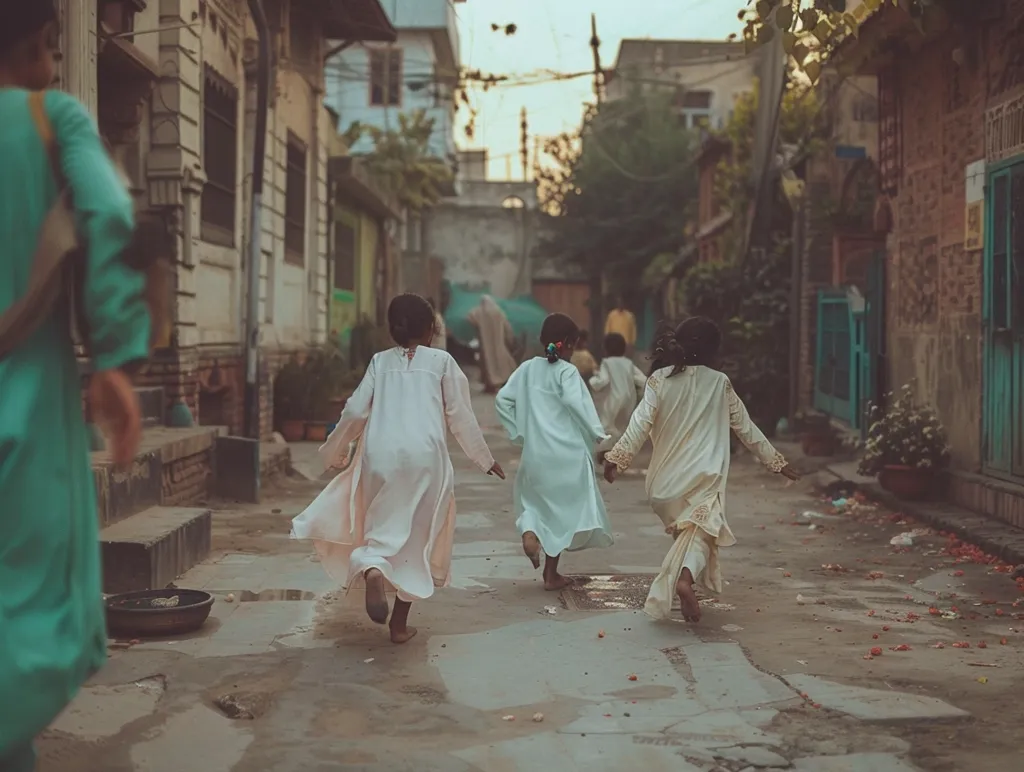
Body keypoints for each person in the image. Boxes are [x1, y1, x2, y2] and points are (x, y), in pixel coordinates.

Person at [0, 4, 151, 767]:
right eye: (53, 49)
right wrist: (115, 359)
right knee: (27, 616)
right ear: (32, 45)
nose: (57, 66)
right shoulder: (50, 119)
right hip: (25, 405)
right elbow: (105, 213)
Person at [291, 293, 504, 644]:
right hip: (425, 459)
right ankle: (399, 626)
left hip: (380, 456)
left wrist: (333, 452)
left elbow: (355, 410)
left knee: (381, 528)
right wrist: (484, 458)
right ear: (432, 329)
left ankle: (373, 566)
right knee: (418, 539)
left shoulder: (379, 362)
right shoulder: (442, 362)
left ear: (393, 329)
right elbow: (460, 416)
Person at [603, 317, 799, 624]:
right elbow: (745, 428)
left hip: (663, 485)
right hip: (704, 478)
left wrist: (617, 457)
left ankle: (686, 582)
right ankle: (684, 580)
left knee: (690, 532)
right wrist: (776, 461)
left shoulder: (658, 380)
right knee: (704, 533)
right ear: (713, 351)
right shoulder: (720, 383)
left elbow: (639, 423)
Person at [495, 313, 613, 590]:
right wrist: (597, 433)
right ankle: (550, 574)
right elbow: (575, 402)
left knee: (535, 504)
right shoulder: (567, 372)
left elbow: (502, 399)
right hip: (567, 455)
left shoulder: (526, 369)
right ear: (571, 344)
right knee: (562, 512)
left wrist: (518, 432)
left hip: (535, 456)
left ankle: (530, 531)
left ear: (542, 340)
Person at [590, 332, 647, 453]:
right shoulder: (629, 363)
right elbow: (643, 381)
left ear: (605, 349)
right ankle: (620, 451)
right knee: (623, 428)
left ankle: (604, 452)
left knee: (608, 427)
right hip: (629, 400)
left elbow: (603, 380)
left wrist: (593, 380)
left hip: (613, 400)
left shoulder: (606, 363)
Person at [467, 294, 517, 393]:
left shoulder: (479, 312)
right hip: (499, 343)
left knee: (488, 364)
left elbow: (470, 317)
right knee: (503, 362)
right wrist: (509, 338)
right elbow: (507, 327)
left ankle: (490, 385)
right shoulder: (498, 312)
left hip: (486, 345)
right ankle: (503, 382)